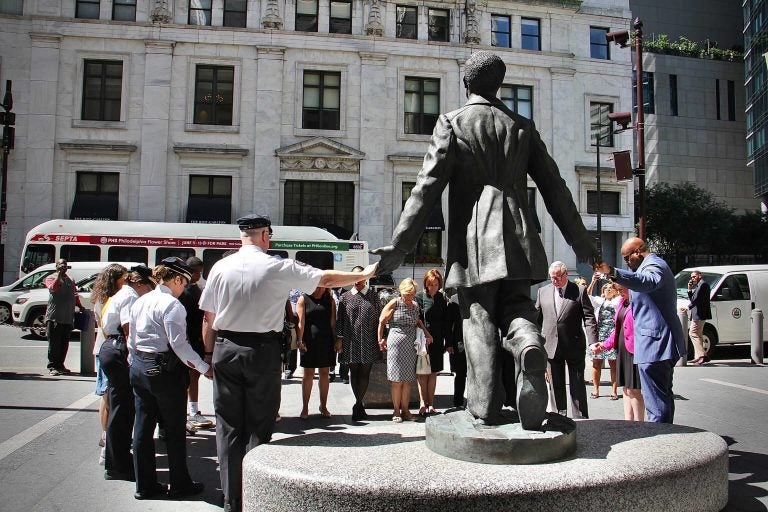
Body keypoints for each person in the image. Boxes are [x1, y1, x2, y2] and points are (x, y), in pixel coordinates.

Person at [372, 51, 597, 429]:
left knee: (477, 316)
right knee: (518, 309)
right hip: (521, 237)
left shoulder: (453, 123)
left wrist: (399, 246)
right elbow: (556, 189)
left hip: (475, 241)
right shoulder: (522, 126)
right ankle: (527, 342)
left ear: (467, 83)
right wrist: (582, 244)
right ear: (499, 84)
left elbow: (426, 190)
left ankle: (486, 405)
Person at [198, 213, 378, 512]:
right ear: (266, 235)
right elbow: (325, 278)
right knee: (259, 424)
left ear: (243, 235)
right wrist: (362, 275)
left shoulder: (220, 267)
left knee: (228, 426)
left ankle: (231, 499)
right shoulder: (277, 266)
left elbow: (209, 318)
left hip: (225, 347)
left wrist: (208, 356)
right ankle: (255, 493)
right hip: (260, 350)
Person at [129, 258, 212, 500]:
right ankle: (179, 484)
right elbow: (179, 345)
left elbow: (132, 339)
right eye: (184, 282)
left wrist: (136, 362)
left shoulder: (141, 301)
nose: (184, 288)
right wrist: (203, 366)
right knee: (174, 429)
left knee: (143, 429)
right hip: (164, 370)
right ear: (176, 279)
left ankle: (145, 486)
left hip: (140, 366)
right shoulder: (172, 305)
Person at [595, 237, 686, 423]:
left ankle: (659, 441)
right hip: (651, 343)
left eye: (627, 258)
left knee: (657, 402)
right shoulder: (647, 267)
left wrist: (612, 271)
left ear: (638, 251)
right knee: (659, 398)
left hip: (657, 344)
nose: (627, 263)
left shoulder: (655, 266)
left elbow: (648, 281)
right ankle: (664, 437)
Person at [98, 264, 155, 481]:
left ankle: (116, 460)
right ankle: (118, 464)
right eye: (148, 287)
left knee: (118, 406)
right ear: (139, 283)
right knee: (123, 409)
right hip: (119, 347)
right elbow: (128, 328)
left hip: (111, 346)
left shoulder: (121, 293)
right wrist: (135, 356)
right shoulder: (130, 296)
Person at [535, 262, 597, 419]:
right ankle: (559, 416)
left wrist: (593, 341)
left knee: (577, 384)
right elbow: (537, 319)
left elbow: (589, 317)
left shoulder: (579, 291)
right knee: (556, 385)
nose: (555, 281)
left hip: (573, 344)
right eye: (552, 278)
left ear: (566, 275)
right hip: (551, 345)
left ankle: (580, 417)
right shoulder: (543, 292)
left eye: (557, 277)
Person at [377, 278, 432, 423]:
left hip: (410, 345)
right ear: (402, 291)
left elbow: (418, 321)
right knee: (396, 380)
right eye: (408, 294)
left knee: (408, 380)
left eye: (413, 294)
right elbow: (382, 321)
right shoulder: (395, 302)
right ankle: (396, 410)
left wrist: (426, 333)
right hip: (395, 343)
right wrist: (380, 339)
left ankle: (406, 410)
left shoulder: (415, 305)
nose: (410, 297)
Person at [91, 264, 129, 467]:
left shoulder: (102, 297)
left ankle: (106, 434)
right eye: (124, 278)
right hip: (109, 347)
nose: (127, 281)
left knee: (108, 395)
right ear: (115, 280)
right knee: (108, 396)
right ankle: (107, 435)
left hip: (102, 347)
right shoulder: (111, 299)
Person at [592, 284, 645, 421]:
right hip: (622, 349)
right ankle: (628, 423)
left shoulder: (639, 302)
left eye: (622, 290)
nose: (620, 293)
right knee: (626, 390)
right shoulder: (623, 301)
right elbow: (617, 329)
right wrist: (604, 345)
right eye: (619, 290)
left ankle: (640, 425)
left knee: (634, 390)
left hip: (634, 350)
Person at [336, 266, 382, 421]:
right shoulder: (345, 297)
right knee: (353, 373)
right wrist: (339, 339)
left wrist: (381, 337)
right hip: (351, 341)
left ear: (365, 278)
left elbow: (379, 319)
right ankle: (358, 404)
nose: (357, 280)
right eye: (354, 277)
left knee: (364, 374)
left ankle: (358, 403)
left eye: (360, 277)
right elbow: (340, 321)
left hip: (369, 340)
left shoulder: (373, 296)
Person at [177, 256, 214, 431]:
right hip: (188, 337)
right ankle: (187, 413)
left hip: (194, 336)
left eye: (200, 272)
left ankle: (192, 410)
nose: (199, 275)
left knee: (193, 376)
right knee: (187, 376)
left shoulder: (195, 289)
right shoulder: (186, 291)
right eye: (196, 272)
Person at [297, 286, 337, 419]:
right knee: (308, 374)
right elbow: (300, 322)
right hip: (309, 341)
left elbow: (332, 323)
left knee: (325, 373)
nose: (320, 289)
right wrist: (299, 340)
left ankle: (323, 406)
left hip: (326, 341)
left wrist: (336, 340)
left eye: (323, 286)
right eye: (318, 285)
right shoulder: (304, 299)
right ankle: (305, 407)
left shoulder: (330, 300)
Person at [414, 268, 449, 416]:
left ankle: (431, 404)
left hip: (438, 339)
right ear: (425, 284)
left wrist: (448, 343)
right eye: (430, 284)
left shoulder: (442, 298)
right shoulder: (420, 297)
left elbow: (446, 321)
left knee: (433, 372)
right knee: (423, 373)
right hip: (424, 339)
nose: (432, 287)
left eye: (435, 284)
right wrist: (427, 334)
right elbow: (417, 319)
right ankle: (422, 403)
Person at [44, 259, 82, 376]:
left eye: (65, 265)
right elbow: (53, 288)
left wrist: (80, 306)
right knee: (54, 344)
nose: (64, 266)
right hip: (55, 317)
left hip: (67, 317)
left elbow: (74, 295)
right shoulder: (50, 278)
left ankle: (60, 365)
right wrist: (59, 275)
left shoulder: (71, 279)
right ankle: (52, 366)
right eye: (61, 264)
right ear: (56, 266)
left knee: (64, 344)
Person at [586, 275, 619, 400]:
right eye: (606, 288)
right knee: (596, 363)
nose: (609, 290)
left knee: (613, 364)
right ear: (603, 291)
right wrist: (593, 281)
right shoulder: (599, 301)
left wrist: (613, 280)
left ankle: (614, 391)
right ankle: (596, 390)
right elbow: (587, 295)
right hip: (599, 335)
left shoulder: (617, 301)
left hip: (612, 335)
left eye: (611, 288)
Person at [682, 269, 712, 365]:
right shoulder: (699, 285)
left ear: (700, 275)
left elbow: (697, 300)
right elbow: (693, 299)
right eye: (691, 277)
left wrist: (687, 308)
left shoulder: (703, 285)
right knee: (698, 335)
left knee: (692, 333)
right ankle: (698, 356)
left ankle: (702, 355)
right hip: (698, 314)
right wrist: (689, 289)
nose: (692, 279)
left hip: (700, 314)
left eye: (694, 276)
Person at [445, 292, 467, 409]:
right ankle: (458, 402)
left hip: (475, 339)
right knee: (460, 373)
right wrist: (448, 343)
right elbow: (448, 324)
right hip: (459, 341)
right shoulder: (454, 300)